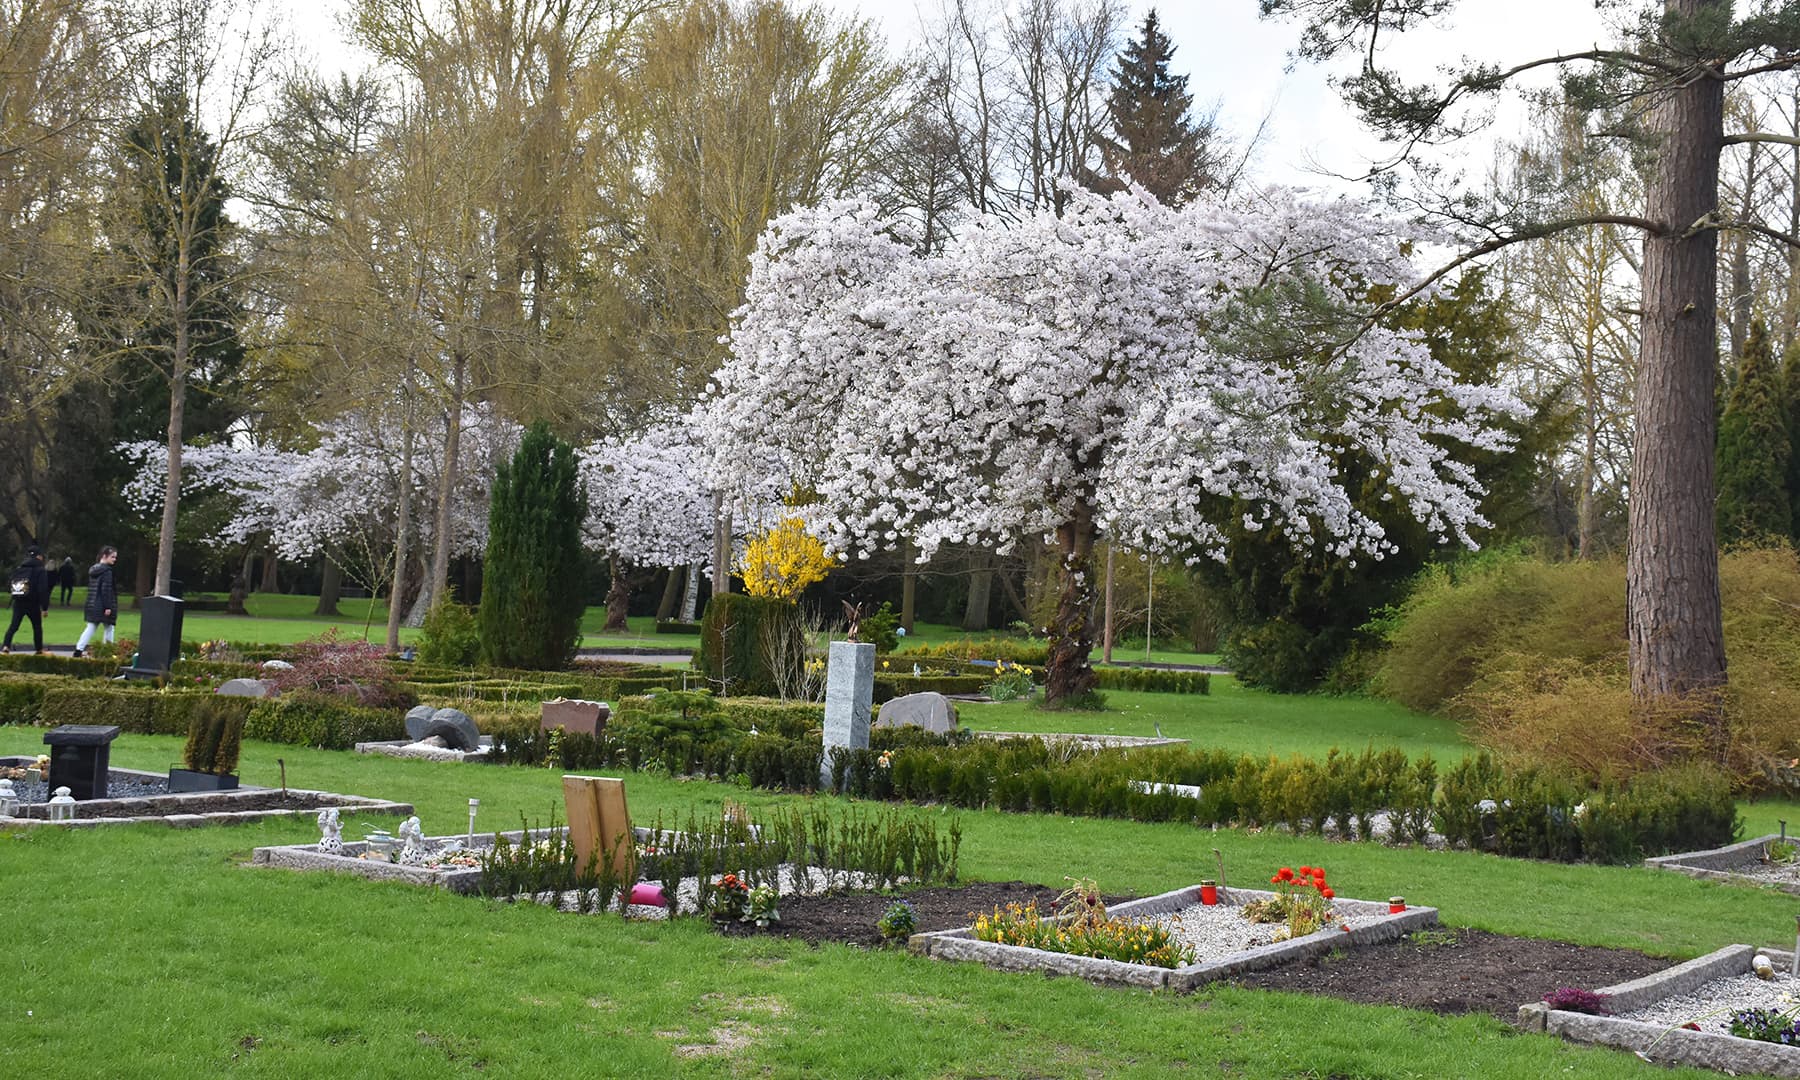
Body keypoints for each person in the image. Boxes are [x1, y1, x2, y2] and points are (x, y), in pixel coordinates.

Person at [2, 544, 50, 655]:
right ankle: (39, 649)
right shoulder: (40, 570)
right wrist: (45, 607)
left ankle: (6, 645)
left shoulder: (20, 568)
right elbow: (42, 590)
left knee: (14, 626)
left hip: (18, 601)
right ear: (39, 557)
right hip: (33, 603)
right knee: (37, 627)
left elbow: (9, 585)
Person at [72, 546, 118, 659]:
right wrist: (108, 607)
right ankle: (107, 651)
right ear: (104, 556)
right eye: (112, 557)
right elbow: (106, 590)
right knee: (109, 628)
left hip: (92, 603)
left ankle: (78, 649)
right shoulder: (107, 572)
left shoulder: (94, 570)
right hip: (103, 604)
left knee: (91, 627)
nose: (114, 559)